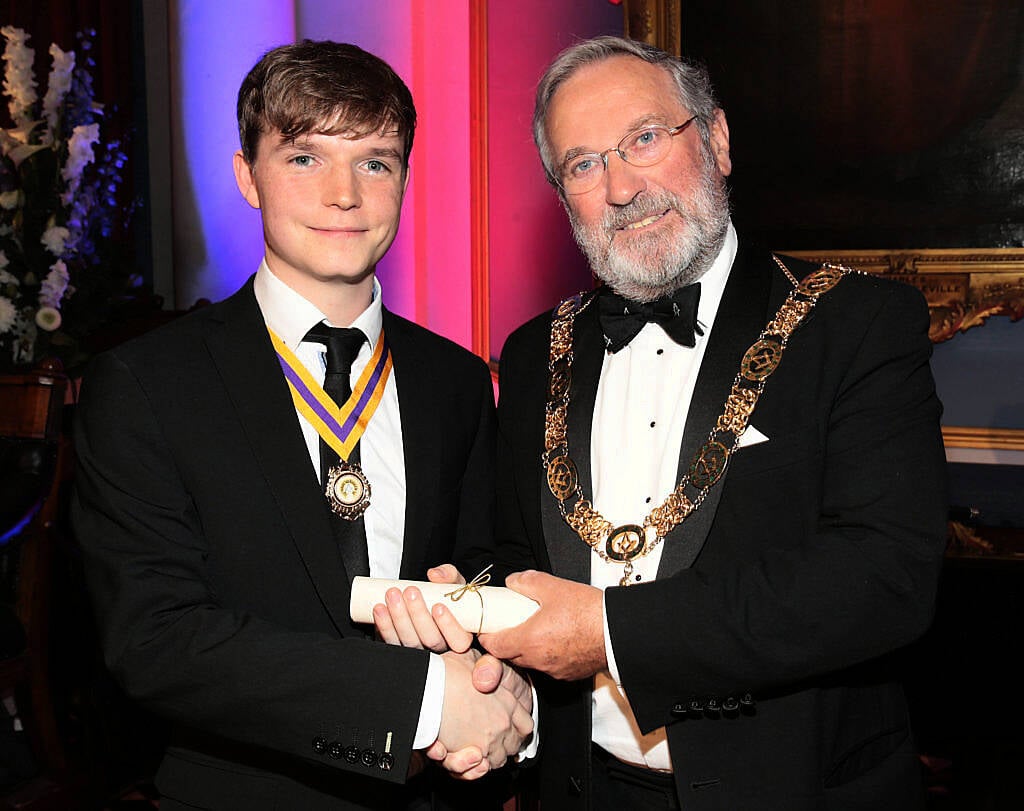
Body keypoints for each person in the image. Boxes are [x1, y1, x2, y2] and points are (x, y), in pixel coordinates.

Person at [379, 34, 949, 810]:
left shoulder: (854, 325)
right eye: (583, 164)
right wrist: (475, 613)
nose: (620, 188)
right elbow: (519, 557)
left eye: (644, 139)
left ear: (715, 139)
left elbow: (883, 579)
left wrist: (610, 631)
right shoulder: (532, 353)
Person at [71, 40, 531, 810]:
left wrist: (485, 660)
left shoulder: (455, 380)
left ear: (406, 180)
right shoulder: (148, 383)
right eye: (305, 158)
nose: (344, 193)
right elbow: (154, 639)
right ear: (247, 176)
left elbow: (483, 561)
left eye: (376, 162)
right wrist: (416, 700)